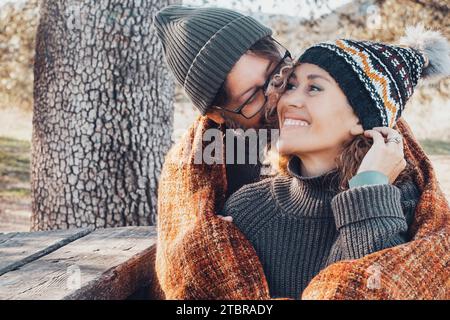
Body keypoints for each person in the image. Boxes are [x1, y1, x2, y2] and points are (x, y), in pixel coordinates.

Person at [153, 5, 449, 300]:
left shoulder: (398, 188)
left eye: (279, 74)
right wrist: (208, 249)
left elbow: (388, 280)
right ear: (221, 116)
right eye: (253, 96)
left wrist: (370, 188)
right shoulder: (222, 181)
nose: (280, 95)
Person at [221, 36, 445, 298]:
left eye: (314, 88)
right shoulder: (248, 208)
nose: (289, 100)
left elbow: (372, 289)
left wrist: (369, 191)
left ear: (362, 119)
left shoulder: (407, 211)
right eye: (291, 86)